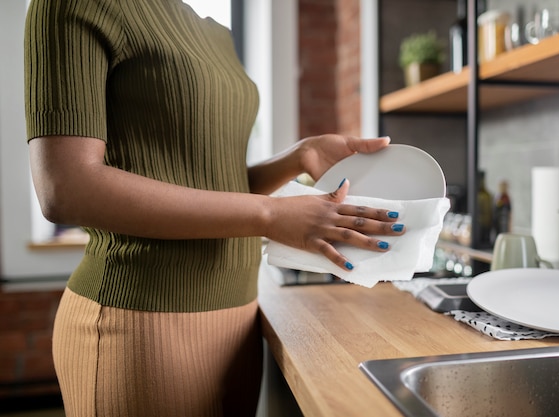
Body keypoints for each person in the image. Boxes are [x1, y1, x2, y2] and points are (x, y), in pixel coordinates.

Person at [24, 1, 405, 416]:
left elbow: (208, 181)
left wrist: (299, 155)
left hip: (239, 317)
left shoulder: (214, 33)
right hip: (140, 326)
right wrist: (272, 216)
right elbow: (65, 188)